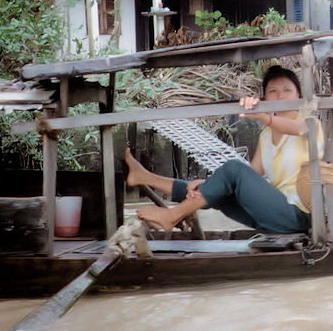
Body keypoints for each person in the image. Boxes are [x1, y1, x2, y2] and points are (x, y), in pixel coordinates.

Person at [128, 65, 322, 233]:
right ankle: (144, 177)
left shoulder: (310, 123)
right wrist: (210, 182)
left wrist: (263, 117)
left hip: (300, 215)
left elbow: (297, 129)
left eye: (287, 90)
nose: (280, 96)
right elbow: (251, 175)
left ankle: (171, 216)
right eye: (273, 91)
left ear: (299, 96)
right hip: (271, 215)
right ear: (265, 98)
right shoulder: (266, 136)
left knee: (233, 168)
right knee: (208, 189)